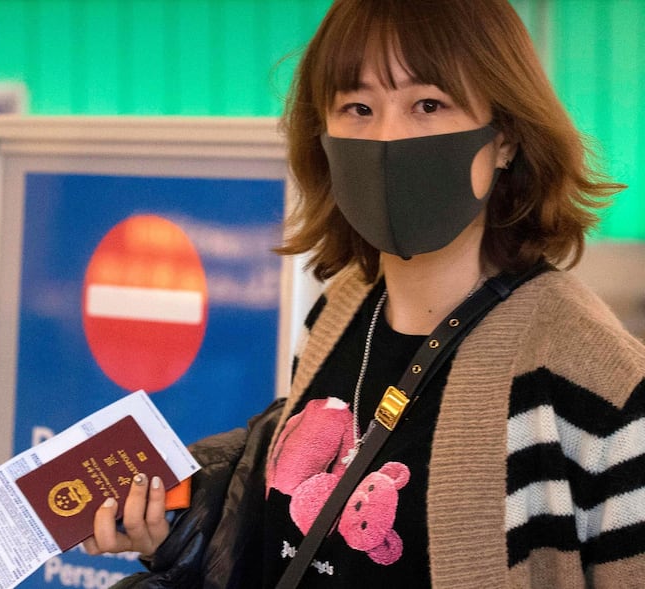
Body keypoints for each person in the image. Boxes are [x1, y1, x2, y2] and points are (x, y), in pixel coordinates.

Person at [83, 0, 645, 586]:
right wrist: (182, 535)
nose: (387, 139)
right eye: (358, 107)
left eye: (428, 105)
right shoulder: (340, 308)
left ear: (505, 139)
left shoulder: (600, 382)